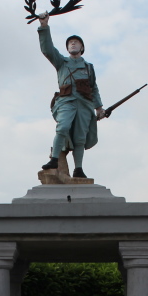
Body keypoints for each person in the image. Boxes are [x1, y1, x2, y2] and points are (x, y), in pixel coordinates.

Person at [37, 12, 105, 178]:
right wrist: (44, 27)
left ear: (82, 48)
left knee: (80, 137)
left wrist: (99, 108)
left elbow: (93, 87)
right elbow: (47, 50)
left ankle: (78, 169)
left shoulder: (88, 67)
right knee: (63, 127)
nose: (73, 44)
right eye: (70, 43)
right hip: (66, 101)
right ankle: (54, 159)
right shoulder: (61, 62)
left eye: (76, 43)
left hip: (84, 104)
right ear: (67, 48)